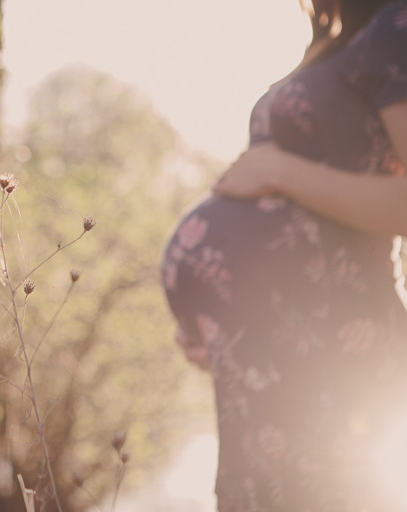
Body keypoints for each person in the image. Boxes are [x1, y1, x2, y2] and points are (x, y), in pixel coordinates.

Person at [161, 0, 407, 510]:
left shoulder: (398, 26)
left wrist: (278, 172)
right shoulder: (343, 39)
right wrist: (221, 315)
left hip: (338, 347)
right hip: (275, 349)